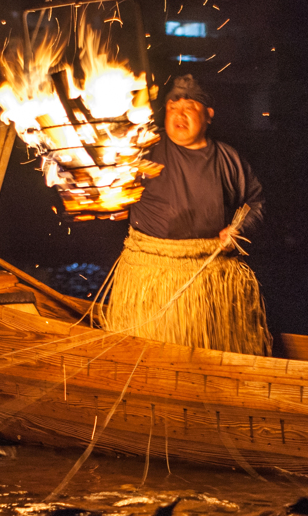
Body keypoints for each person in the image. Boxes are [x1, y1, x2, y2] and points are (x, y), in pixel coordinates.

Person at [98, 74, 270, 356]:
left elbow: (254, 202)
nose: (179, 114)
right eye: (172, 107)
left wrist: (239, 229)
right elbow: (109, 182)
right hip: (150, 276)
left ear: (208, 114)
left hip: (212, 280)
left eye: (188, 107)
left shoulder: (228, 159)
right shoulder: (143, 150)